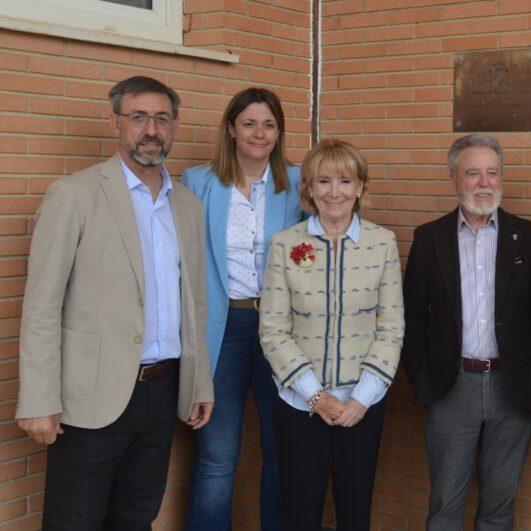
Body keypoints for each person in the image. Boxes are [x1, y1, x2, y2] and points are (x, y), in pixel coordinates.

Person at [15, 76, 214, 529]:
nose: (151, 130)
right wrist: (38, 399)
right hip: (90, 397)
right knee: (74, 520)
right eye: (138, 117)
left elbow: (195, 304)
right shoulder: (74, 195)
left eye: (162, 119)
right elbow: (42, 306)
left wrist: (199, 383)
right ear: (115, 123)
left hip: (161, 392)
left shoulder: (186, 204)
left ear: (175, 127)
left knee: (136, 517)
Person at [402, 134, 531, 530]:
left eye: (493, 172)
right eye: (473, 173)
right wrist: (422, 375)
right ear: (454, 179)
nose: (484, 182)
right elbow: (410, 317)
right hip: (451, 386)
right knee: (444, 503)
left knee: (499, 504)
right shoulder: (430, 238)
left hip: (512, 387)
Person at [260, 139, 403, 530]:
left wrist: (360, 399)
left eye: (345, 181)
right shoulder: (285, 244)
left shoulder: (382, 243)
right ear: (308, 189)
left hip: (363, 404)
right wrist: (317, 397)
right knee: (299, 513)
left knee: (355, 513)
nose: (334, 192)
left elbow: (391, 328)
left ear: (360, 187)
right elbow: (273, 329)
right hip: (300, 403)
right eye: (323, 181)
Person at [182, 87, 303, 531]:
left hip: (281, 329)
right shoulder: (198, 183)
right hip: (224, 327)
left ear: (279, 132)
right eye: (249, 123)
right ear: (231, 128)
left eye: (269, 124)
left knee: (282, 451)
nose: (259, 133)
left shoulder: (298, 182)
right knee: (217, 454)